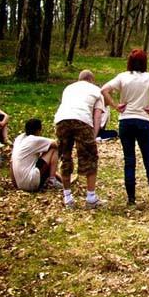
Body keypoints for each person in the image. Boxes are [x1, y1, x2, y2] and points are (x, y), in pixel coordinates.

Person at [102, 49, 149, 209]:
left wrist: (115, 105)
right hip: (143, 121)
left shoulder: (122, 77)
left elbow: (104, 90)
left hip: (125, 121)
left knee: (129, 161)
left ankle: (131, 199)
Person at [54, 70, 105, 210]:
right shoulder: (96, 90)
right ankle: (90, 198)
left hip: (61, 120)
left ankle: (68, 198)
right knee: (90, 157)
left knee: (65, 156)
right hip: (82, 120)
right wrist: (93, 136)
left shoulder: (68, 88)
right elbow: (97, 115)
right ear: (91, 80)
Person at [11, 118, 60, 192]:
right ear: (38, 130)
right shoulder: (34, 139)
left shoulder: (19, 138)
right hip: (31, 183)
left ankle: (54, 178)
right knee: (53, 149)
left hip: (19, 184)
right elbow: (57, 144)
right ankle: (52, 180)